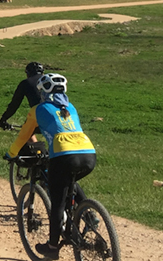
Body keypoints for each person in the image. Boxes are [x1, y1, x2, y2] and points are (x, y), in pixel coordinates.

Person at [7, 73, 96, 259]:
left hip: (63, 155)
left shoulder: (37, 109)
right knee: (69, 181)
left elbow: (24, 135)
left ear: (42, 92)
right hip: (88, 154)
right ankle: (89, 215)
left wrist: (11, 154)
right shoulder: (70, 107)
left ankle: (53, 247)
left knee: (58, 202)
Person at [0, 62, 45, 132]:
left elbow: (14, 104)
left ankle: (32, 142)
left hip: (40, 116)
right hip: (62, 114)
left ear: (27, 74)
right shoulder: (50, 81)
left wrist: (3, 120)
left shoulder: (26, 83)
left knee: (26, 133)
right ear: (42, 73)